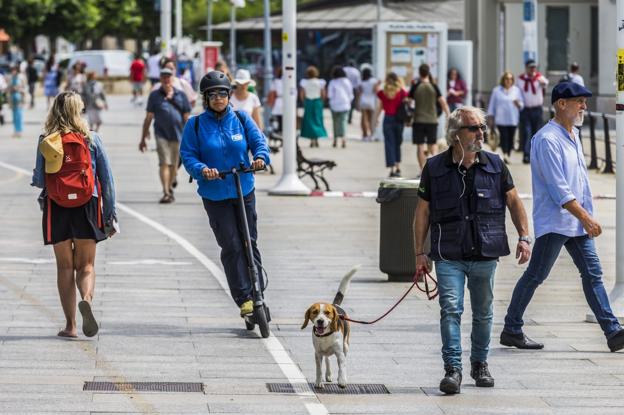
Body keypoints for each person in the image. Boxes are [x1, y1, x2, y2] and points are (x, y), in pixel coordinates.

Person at [413, 106, 531, 395]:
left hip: (484, 252)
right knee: (451, 309)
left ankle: (480, 364)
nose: (481, 133)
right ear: (456, 134)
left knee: (483, 313)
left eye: (482, 128)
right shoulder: (434, 168)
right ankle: (452, 369)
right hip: (448, 253)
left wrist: (524, 237)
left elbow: (514, 202)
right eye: (474, 128)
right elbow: (422, 212)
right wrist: (419, 253)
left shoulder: (495, 164)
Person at [500, 82, 624, 353]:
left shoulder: (574, 135)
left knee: (593, 273)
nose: (584, 106)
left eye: (584, 101)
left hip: (576, 222)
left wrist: (585, 217)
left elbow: (579, 181)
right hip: (556, 221)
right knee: (536, 275)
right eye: (579, 101)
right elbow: (559, 189)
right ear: (560, 104)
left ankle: (613, 331)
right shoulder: (547, 139)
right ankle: (511, 327)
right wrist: (587, 218)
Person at [180, 71, 270, 317]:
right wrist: (202, 169)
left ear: (229, 95)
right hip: (215, 193)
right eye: (213, 95)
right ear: (205, 99)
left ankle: (258, 291)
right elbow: (188, 155)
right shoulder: (195, 124)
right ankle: (244, 298)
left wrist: (261, 158)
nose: (218, 98)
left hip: (244, 187)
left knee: (249, 241)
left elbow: (259, 142)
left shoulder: (241, 118)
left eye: (222, 93)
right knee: (230, 244)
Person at [31, 90, 117, 338]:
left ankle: (70, 326)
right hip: (87, 205)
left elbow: (39, 180)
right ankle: (87, 300)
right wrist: (110, 216)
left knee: (65, 267)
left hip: (57, 206)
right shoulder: (92, 139)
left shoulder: (46, 140)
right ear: (79, 111)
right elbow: (107, 181)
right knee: (86, 265)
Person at [140, 67, 191, 204]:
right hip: (161, 134)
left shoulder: (180, 95)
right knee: (164, 163)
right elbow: (149, 117)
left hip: (178, 134)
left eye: (169, 76)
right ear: (160, 78)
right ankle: (166, 192)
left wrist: (191, 137)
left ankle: (171, 184)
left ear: (172, 78)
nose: (166, 79)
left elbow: (187, 116)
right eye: (163, 76)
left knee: (174, 165)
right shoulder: (155, 95)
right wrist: (143, 138)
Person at [409, 63, 451, 170]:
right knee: (433, 144)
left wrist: (411, 112)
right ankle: (435, 168)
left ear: (419, 73)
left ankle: (422, 169)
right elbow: (443, 103)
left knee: (420, 145)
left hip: (418, 120)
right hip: (432, 120)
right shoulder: (434, 86)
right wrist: (449, 116)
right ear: (428, 73)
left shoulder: (416, 86)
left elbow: (409, 102)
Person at [375, 72, 407, 177]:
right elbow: (406, 104)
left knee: (389, 144)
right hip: (399, 120)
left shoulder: (383, 92)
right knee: (398, 143)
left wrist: (377, 119)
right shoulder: (401, 92)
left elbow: (380, 106)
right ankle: (398, 168)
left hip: (387, 119)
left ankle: (392, 169)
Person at [487, 71, 523, 164]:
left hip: (513, 119)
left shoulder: (516, 90)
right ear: (503, 80)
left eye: (510, 79)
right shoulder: (497, 90)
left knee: (511, 138)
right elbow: (492, 105)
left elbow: (522, 105)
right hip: (501, 119)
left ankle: (509, 154)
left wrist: (518, 104)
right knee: (504, 137)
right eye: (507, 79)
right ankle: (505, 154)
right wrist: (491, 118)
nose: (508, 81)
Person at [518, 59, 548, 164]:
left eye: (534, 67)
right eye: (530, 67)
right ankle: (526, 154)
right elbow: (519, 93)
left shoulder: (539, 77)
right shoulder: (521, 79)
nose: (532, 69)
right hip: (526, 110)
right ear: (526, 68)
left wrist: (542, 82)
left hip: (537, 109)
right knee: (527, 132)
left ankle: (536, 155)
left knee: (537, 133)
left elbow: (545, 84)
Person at [299, 65, 328, 147]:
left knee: (309, 121)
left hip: (308, 101)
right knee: (318, 120)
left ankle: (312, 139)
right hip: (317, 101)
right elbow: (323, 93)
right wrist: (322, 102)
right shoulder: (320, 82)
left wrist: (304, 101)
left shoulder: (304, 82)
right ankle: (316, 138)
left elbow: (302, 94)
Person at [327, 65, 353, 148]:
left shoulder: (332, 82)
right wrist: (349, 101)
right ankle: (343, 139)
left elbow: (330, 95)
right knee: (343, 122)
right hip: (345, 104)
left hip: (334, 105)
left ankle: (335, 140)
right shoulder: (347, 81)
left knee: (335, 123)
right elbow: (350, 94)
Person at [358, 66, 379, 142]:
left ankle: (365, 134)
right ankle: (372, 134)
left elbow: (360, 92)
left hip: (363, 100)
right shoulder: (374, 81)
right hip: (371, 100)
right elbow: (376, 91)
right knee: (372, 119)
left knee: (364, 119)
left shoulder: (361, 81)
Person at [8, 65, 27, 138]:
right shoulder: (10, 78)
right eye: (12, 70)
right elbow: (8, 88)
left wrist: (19, 89)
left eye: (15, 70)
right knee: (14, 116)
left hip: (19, 99)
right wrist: (11, 89)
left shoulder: (21, 77)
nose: (13, 71)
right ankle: (15, 131)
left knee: (19, 115)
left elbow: (25, 88)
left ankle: (19, 131)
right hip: (12, 99)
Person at [343, 60, 361, 124]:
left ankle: (344, 117)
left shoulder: (344, 69)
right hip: (353, 88)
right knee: (351, 104)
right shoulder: (356, 71)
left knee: (344, 102)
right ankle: (349, 118)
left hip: (344, 88)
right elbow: (358, 83)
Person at [267, 67, 283, 133]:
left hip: (279, 100)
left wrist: (270, 102)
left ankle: (278, 130)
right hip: (287, 101)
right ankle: (281, 129)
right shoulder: (290, 81)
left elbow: (272, 92)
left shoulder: (276, 81)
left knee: (278, 116)